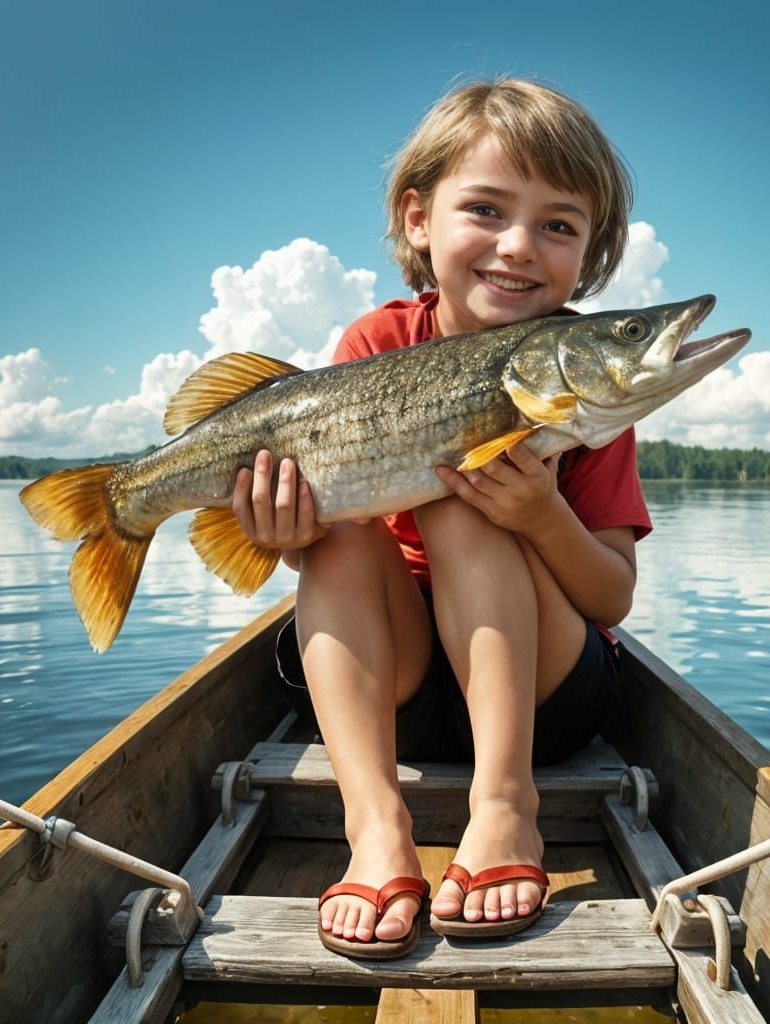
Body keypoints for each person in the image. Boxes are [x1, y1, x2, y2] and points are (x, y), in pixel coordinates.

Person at [231, 78, 652, 958]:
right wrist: (281, 533)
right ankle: (374, 826)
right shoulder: (375, 343)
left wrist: (540, 516)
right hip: (404, 695)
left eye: (558, 225)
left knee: (464, 500)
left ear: (589, 253)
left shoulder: (589, 384)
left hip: (547, 695)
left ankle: (505, 808)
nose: (518, 246)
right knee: (344, 531)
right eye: (488, 209)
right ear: (419, 220)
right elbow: (322, 536)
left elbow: (611, 597)